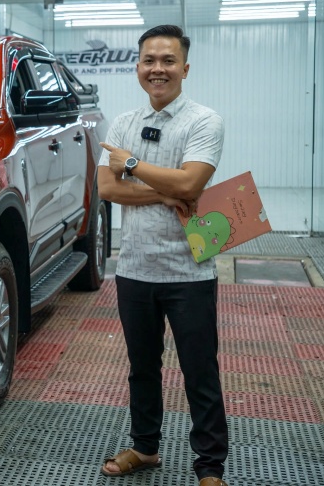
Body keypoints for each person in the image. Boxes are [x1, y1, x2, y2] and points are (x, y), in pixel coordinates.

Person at [96, 25, 227, 486]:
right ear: (137, 67)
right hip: (134, 268)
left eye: (168, 61)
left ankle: (209, 466)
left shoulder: (204, 121)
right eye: (149, 60)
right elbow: (107, 188)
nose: (158, 69)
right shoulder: (123, 124)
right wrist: (162, 193)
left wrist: (132, 165)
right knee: (142, 368)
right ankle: (145, 447)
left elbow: (191, 183)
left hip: (190, 271)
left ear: (184, 69)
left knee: (199, 371)